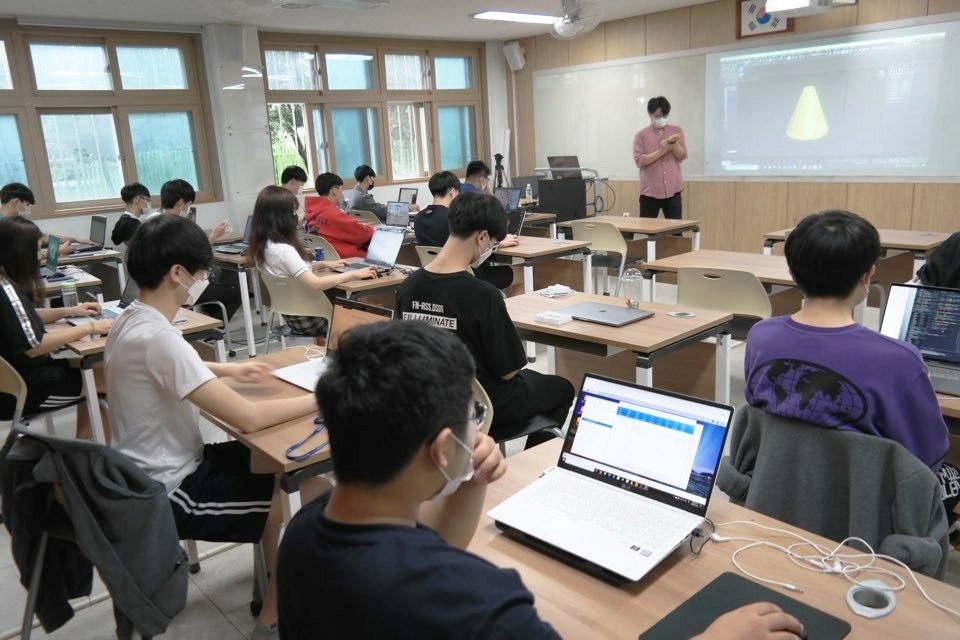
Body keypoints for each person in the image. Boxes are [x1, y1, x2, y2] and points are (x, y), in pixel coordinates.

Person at [276, 320, 806, 640]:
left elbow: (417, 553)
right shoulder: (482, 603)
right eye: (470, 418)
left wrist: (468, 482)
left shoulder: (304, 534)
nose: (476, 428)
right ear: (440, 450)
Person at [105, 214, 319, 640]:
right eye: (201, 272)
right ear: (177, 273)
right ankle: (273, 622)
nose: (202, 280)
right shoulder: (160, 338)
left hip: (139, 476)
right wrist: (326, 397)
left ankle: (267, 588)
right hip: (171, 492)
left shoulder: (131, 319)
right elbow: (249, 418)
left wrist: (228, 370)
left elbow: (174, 367)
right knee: (308, 505)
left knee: (277, 466)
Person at [744, 210, 957, 515]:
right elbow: (926, 457)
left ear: (792, 274)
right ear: (868, 275)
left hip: (777, 494)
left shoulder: (761, 337)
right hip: (865, 515)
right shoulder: (900, 360)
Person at [398, 191, 574, 448]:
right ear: (481, 236)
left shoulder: (408, 287)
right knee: (562, 389)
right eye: (492, 241)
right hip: (484, 405)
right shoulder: (484, 295)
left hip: (431, 400)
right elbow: (509, 371)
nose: (491, 248)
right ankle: (530, 464)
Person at [0, 216, 111, 439]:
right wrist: (90, 327)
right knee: (114, 378)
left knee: (95, 365)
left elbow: (25, 318)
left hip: (16, 381)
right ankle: (103, 456)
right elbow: (35, 345)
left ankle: (86, 444)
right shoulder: (7, 291)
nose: (39, 255)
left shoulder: (5, 284)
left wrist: (70, 311)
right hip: (27, 389)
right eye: (36, 250)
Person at [249, 185, 376, 337]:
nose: (297, 215)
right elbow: (316, 284)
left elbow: (288, 269)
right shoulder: (284, 250)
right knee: (371, 314)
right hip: (314, 319)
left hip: (291, 316)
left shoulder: (264, 246)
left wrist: (322, 264)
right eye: (293, 211)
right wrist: (354, 275)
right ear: (282, 217)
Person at [415, 170, 518, 291]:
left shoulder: (419, 218)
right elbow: (471, 243)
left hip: (436, 275)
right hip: (466, 274)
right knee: (519, 272)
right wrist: (498, 242)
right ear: (453, 192)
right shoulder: (454, 218)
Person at [632, 96, 686, 219]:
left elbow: (682, 156)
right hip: (650, 193)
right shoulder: (641, 135)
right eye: (657, 116)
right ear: (650, 115)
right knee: (648, 231)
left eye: (664, 116)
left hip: (673, 191)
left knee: (676, 232)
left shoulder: (676, 131)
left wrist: (674, 144)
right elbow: (640, 161)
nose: (661, 119)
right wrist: (662, 151)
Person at [303, 172, 374, 259]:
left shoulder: (311, 212)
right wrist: (370, 228)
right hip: (346, 258)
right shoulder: (333, 214)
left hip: (325, 256)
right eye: (341, 190)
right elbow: (363, 234)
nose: (342, 194)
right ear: (335, 191)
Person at [1, 182, 84, 255]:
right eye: (27, 205)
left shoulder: (14, 222)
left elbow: (42, 237)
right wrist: (58, 251)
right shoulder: (5, 227)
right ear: (16, 202)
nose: (28, 209)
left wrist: (75, 238)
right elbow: (21, 257)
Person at [158, 179, 229, 244]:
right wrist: (213, 237)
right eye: (188, 204)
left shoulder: (156, 220)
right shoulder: (168, 226)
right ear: (181, 202)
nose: (187, 209)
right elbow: (192, 254)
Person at [345, 165, 420, 222]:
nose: (373, 180)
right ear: (368, 178)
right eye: (372, 178)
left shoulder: (353, 194)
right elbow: (383, 211)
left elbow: (378, 208)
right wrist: (407, 208)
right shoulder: (362, 197)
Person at [112, 182, 151, 246]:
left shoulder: (123, 219)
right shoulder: (133, 224)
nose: (148, 203)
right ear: (137, 199)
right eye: (148, 200)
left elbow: (116, 240)